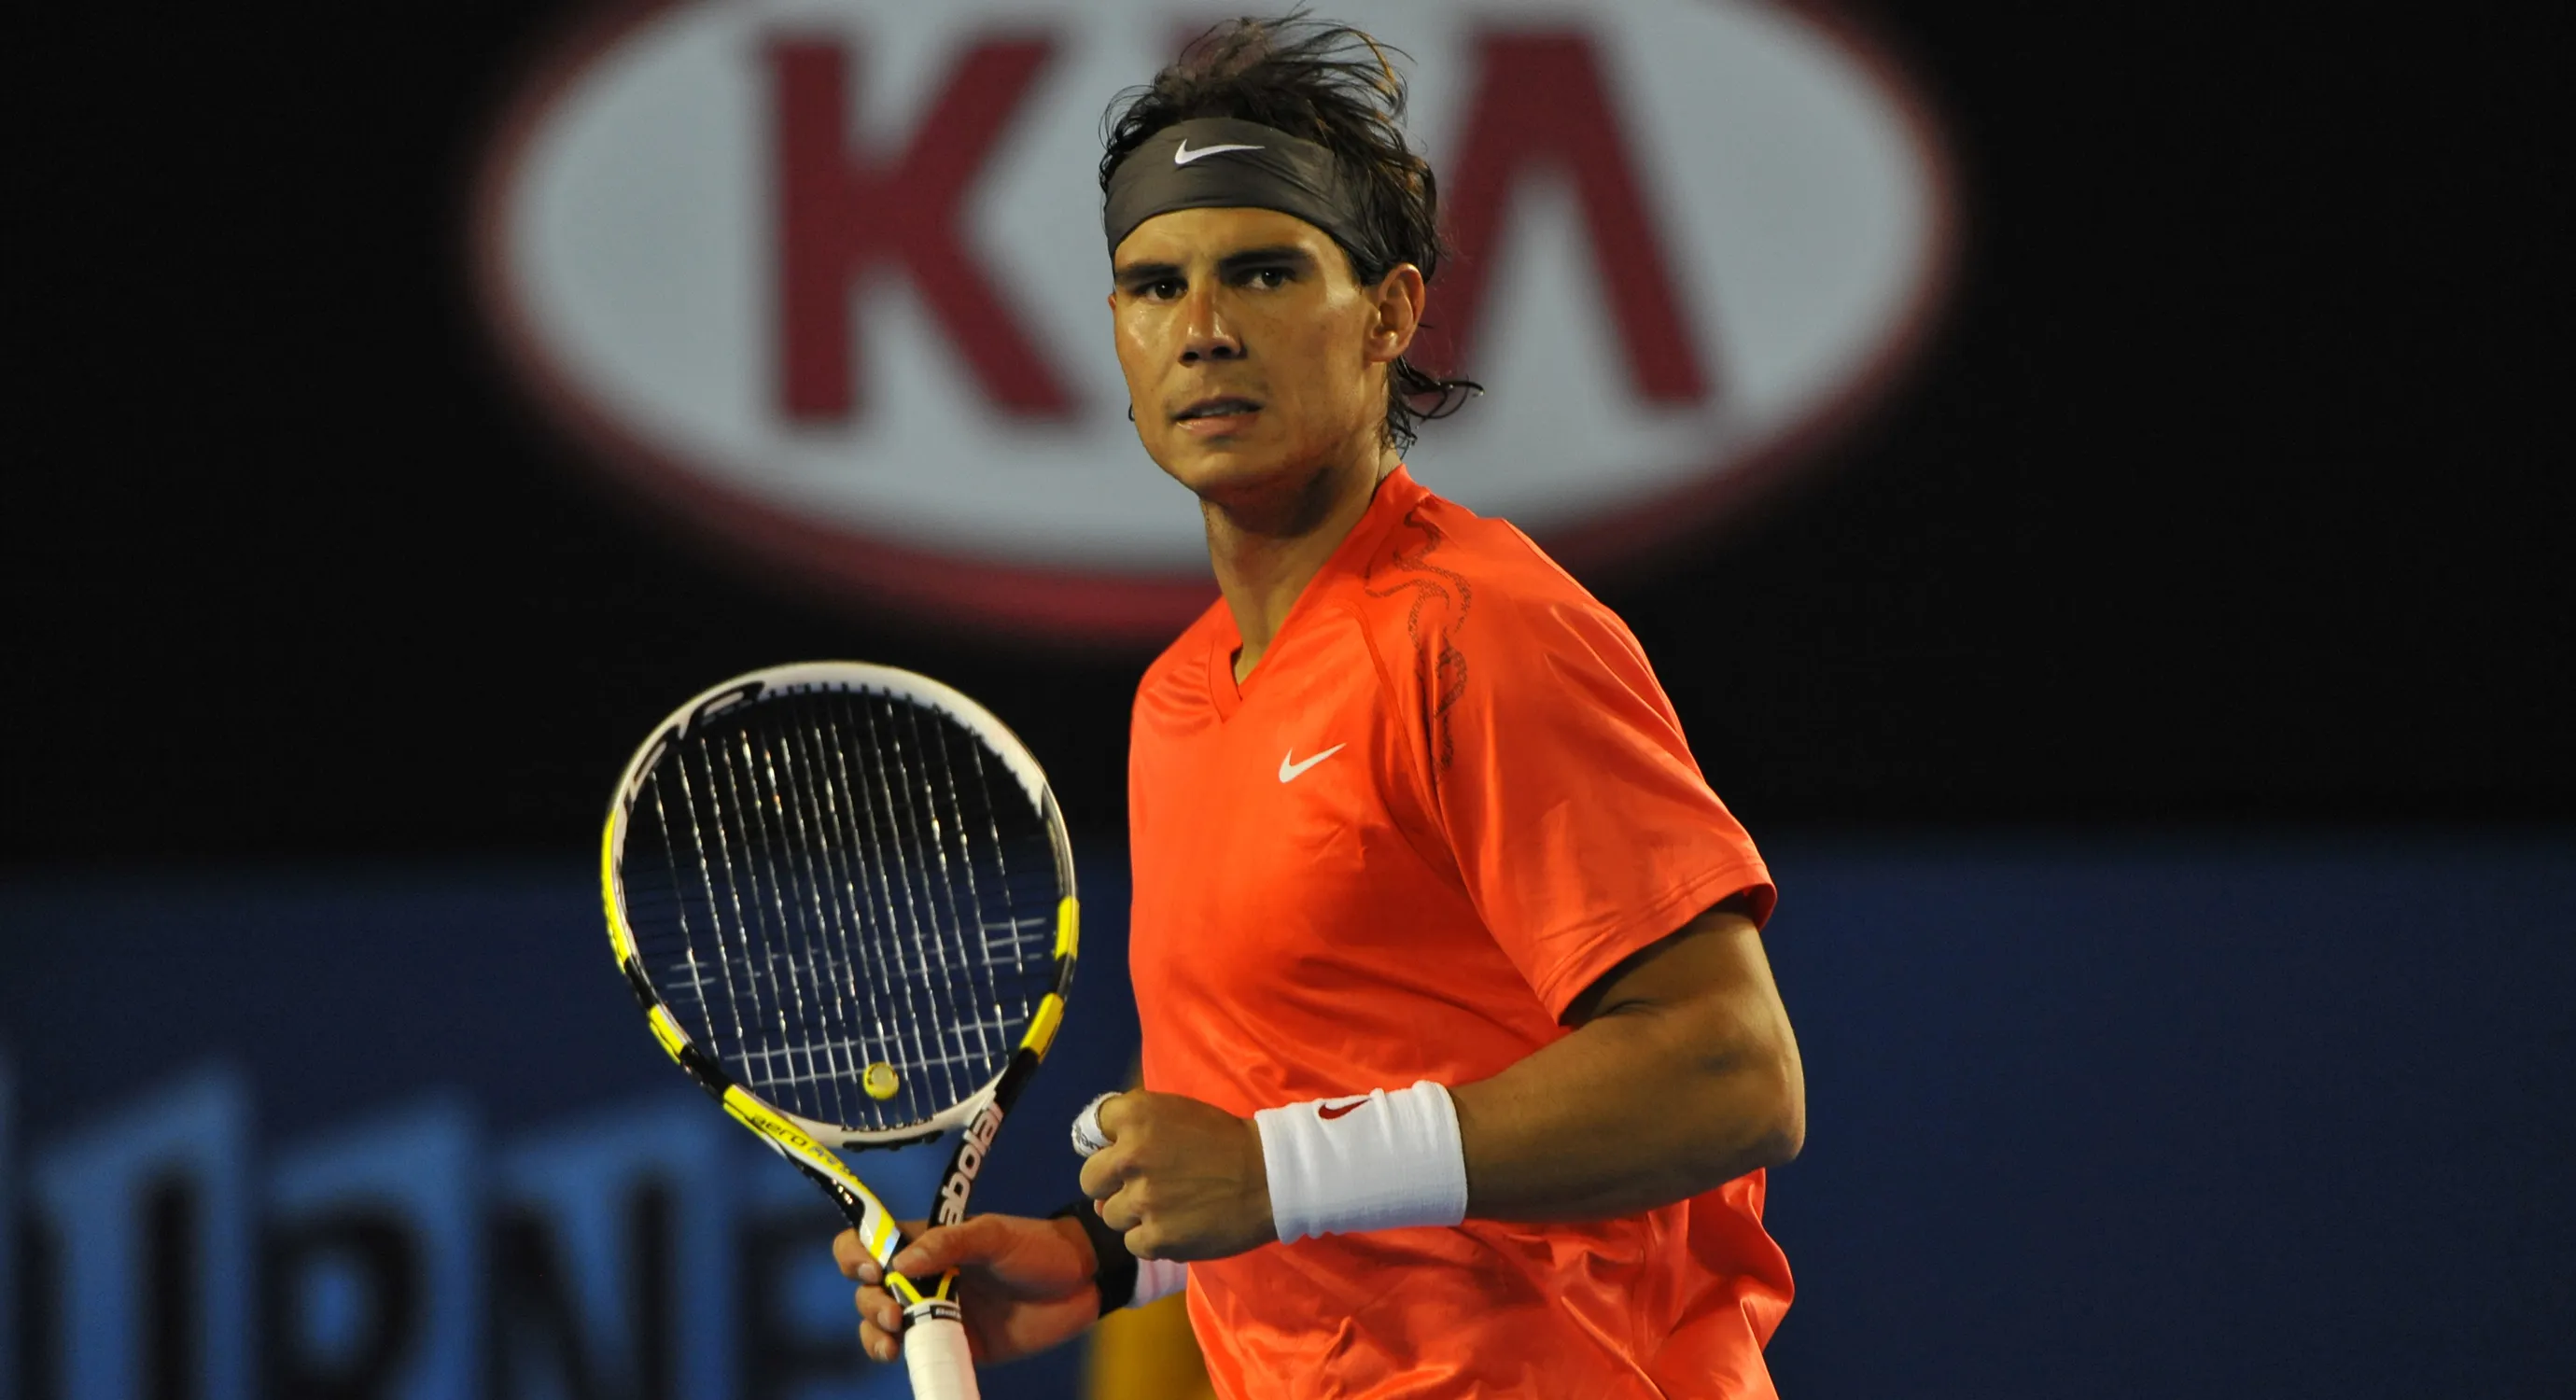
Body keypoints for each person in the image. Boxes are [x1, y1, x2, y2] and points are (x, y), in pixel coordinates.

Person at [835, 16, 1804, 1396]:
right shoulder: (1179, 699)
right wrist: (1100, 1262)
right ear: (1116, 334)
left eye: (1266, 272)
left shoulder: (1478, 629)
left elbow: (1733, 1073)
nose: (1204, 331)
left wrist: (1277, 1170)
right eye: (1155, 286)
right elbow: (1299, 1141)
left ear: (1391, 314)